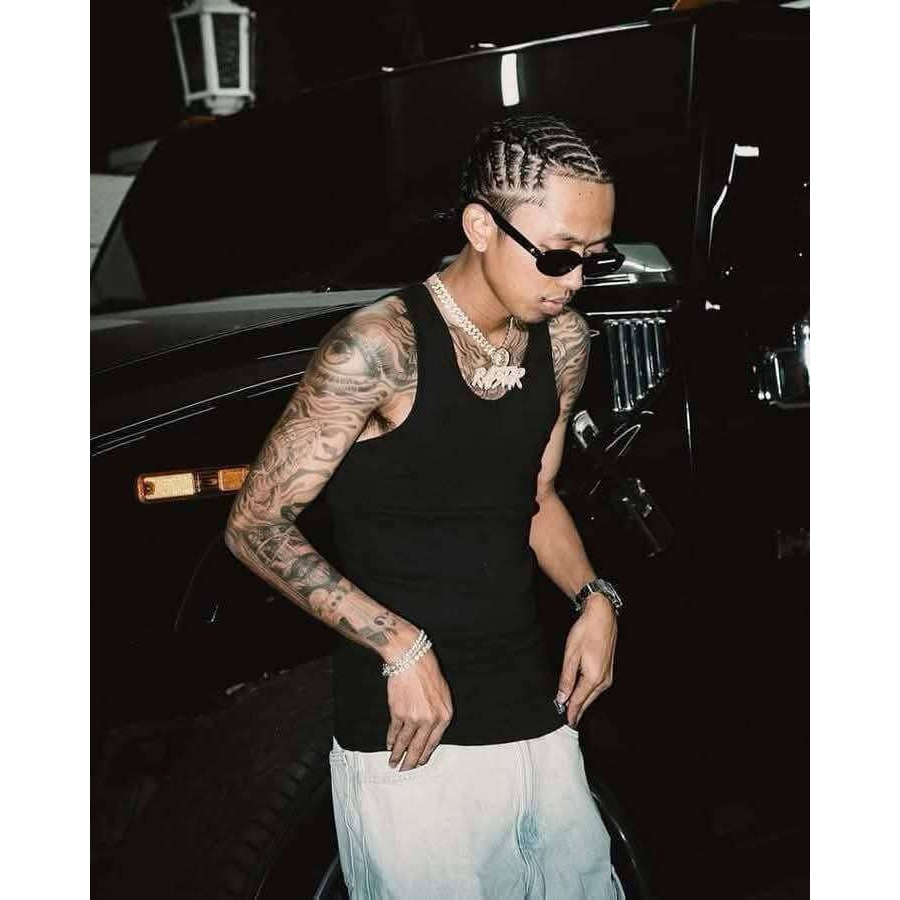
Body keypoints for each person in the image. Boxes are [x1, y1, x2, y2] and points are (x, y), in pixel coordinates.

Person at [225, 113, 627, 899]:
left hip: (532, 708)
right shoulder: (379, 347)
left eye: (595, 257)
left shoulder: (565, 342)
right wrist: (399, 645)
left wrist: (595, 597)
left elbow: (536, 495)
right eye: (558, 255)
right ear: (481, 227)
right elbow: (255, 525)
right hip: (407, 732)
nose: (576, 280)